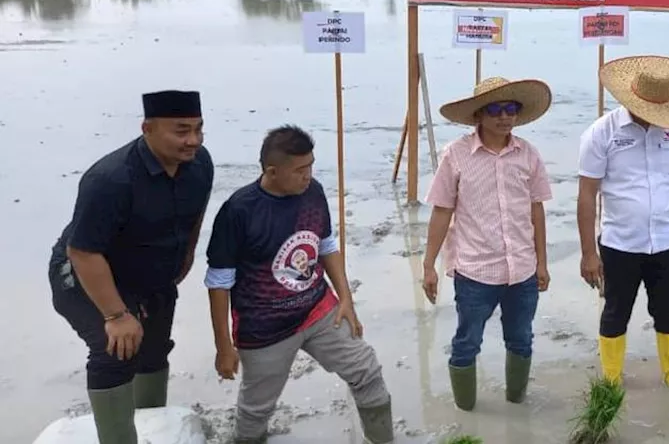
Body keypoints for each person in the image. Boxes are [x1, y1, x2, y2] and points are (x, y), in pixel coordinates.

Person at [204, 125, 393, 444]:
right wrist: (223, 346)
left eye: (311, 166)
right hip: (264, 328)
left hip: (318, 310)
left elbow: (326, 245)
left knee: (367, 372)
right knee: (255, 410)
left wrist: (345, 298)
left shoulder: (313, 192)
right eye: (299, 170)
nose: (308, 176)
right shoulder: (239, 211)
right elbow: (219, 282)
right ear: (272, 171)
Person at [48, 90, 213, 444]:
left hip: (151, 269)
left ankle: (157, 427)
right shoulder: (110, 179)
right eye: (181, 131)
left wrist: (185, 258)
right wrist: (115, 315)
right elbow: (83, 252)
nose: (193, 140)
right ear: (147, 128)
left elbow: (194, 215)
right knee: (117, 351)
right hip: (85, 272)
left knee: (154, 348)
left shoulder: (200, 165)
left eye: (199, 129)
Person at [577, 55, 669, 387]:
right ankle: (610, 384)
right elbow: (586, 195)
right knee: (615, 314)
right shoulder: (602, 133)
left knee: (668, 312)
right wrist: (588, 254)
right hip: (620, 243)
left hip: (668, 241)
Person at [422, 76, 554, 411]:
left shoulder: (529, 154)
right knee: (467, 342)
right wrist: (428, 266)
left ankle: (516, 403)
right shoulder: (456, 155)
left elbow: (536, 211)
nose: (504, 116)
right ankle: (467, 414)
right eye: (495, 109)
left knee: (521, 340)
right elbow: (441, 211)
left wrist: (542, 263)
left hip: (522, 270)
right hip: (475, 271)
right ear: (479, 114)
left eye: (511, 109)